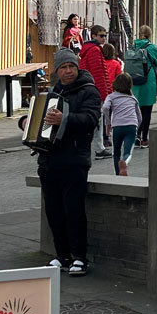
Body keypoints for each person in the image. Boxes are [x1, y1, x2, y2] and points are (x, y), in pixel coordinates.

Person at [38, 47, 101, 277]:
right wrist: (26, 122)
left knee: (74, 211)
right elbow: (40, 118)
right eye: (63, 68)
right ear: (57, 71)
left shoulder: (89, 91)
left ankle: (79, 257)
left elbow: (90, 120)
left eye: (71, 67)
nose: (68, 71)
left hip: (75, 159)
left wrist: (64, 118)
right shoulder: (53, 91)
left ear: (77, 68)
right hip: (50, 160)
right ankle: (62, 255)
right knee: (54, 212)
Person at [78, 25, 111, 159]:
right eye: (101, 36)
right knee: (97, 120)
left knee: (95, 120)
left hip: (87, 89)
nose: (104, 38)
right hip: (94, 90)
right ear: (93, 36)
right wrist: (105, 93)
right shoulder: (95, 51)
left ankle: (98, 147)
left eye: (105, 36)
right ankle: (99, 148)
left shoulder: (88, 50)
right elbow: (98, 74)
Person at [130, 25, 157, 147]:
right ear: (150, 35)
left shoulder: (133, 47)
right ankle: (144, 138)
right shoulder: (152, 48)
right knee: (147, 111)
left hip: (134, 81)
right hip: (148, 80)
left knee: (136, 110)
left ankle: (136, 136)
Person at [102, 72, 142, 176]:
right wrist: (137, 126)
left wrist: (108, 123)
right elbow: (139, 116)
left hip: (117, 126)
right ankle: (125, 162)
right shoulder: (132, 98)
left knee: (116, 152)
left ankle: (118, 174)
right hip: (132, 126)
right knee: (128, 152)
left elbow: (105, 107)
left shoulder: (111, 97)